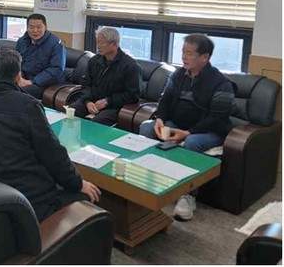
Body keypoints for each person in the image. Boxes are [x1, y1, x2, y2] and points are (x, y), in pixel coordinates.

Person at [0, 49, 101, 221]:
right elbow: (52, 154)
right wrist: (78, 183)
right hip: (30, 200)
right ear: (18, 77)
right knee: (88, 195)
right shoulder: (28, 106)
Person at [139, 33, 235, 221]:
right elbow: (165, 101)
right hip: (178, 126)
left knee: (191, 142)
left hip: (208, 131)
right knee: (147, 128)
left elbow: (217, 118)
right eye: (183, 52)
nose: (184, 57)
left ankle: (188, 195)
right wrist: (159, 119)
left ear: (205, 57)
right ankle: (150, 180)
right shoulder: (178, 75)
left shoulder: (221, 83)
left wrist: (188, 133)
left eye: (189, 53)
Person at [72, 27, 141, 126]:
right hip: (92, 101)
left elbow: (133, 95)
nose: (98, 46)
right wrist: (87, 101)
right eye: (97, 42)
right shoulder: (94, 61)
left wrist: (108, 101)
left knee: (96, 123)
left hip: (114, 106)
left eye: (102, 43)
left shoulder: (130, 66)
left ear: (114, 44)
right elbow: (85, 84)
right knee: (71, 112)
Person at [15, 13, 66, 99]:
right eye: (31, 27)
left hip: (45, 83)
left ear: (45, 27)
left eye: (39, 27)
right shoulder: (22, 41)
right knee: (3, 87)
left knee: (17, 93)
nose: (35, 31)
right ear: (27, 28)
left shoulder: (56, 44)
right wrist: (18, 77)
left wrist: (32, 81)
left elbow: (56, 69)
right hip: (24, 78)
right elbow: (16, 61)